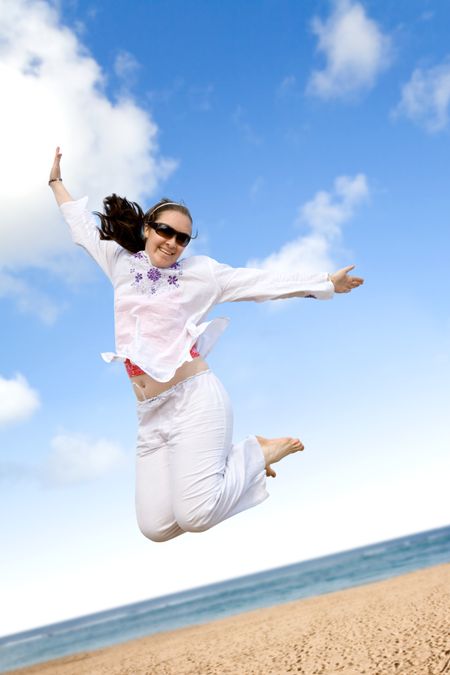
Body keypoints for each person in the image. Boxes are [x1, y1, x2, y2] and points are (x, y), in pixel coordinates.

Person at [49, 146, 364, 543]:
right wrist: (56, 182)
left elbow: (261, 283)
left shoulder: (201, 274)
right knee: (156, 527)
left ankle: (255, 453)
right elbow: (80, 226)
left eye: (182, 238)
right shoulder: (120, 262)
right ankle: (245, 459)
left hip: (194, 399)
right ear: (148, 228)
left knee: (196, 515)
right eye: (166, 231)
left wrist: (324, 283)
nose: (173, 242)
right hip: (149, 414)